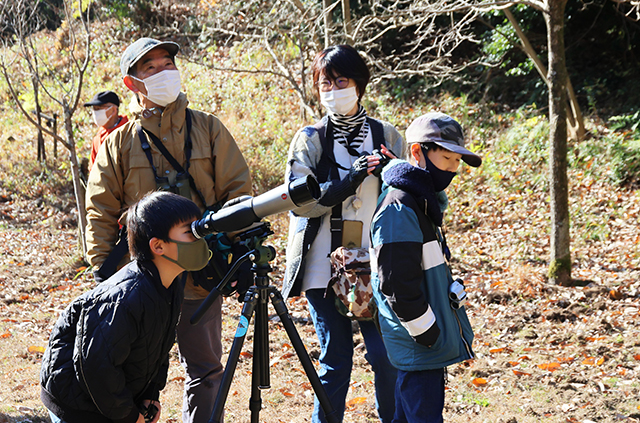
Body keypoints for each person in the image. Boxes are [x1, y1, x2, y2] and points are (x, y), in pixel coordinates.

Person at [85, 37, 252, 423]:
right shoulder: (118, 144)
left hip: (200, 274)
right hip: (140, 283)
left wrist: (239, 251)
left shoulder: (208, 129)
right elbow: (100, 211)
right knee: (130, 378)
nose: (164, 73)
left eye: (168, 64)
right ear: (132, 82)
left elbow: (238, 194)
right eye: (151, 68)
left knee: (207, 374)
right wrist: (101, 274)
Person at [282, 44, 404, 423]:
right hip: (322, 261)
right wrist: (347, 181)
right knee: (335, 358)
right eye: (325, 83)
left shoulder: (387, 134)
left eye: (341, 80)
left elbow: (407, 196)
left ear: (359, 84)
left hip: (375, 260)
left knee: (386, 358)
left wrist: (391, 171)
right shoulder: (311, 139)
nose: (333, 89)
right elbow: (299, 202)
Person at [41, 191, 210, 423]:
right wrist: (130, 416)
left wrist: (150, 394)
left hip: (108, 396)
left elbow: (158, 347)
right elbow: (97, 368)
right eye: (189, 230)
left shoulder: (170, 285)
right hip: (78, 403)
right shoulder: (125, 298)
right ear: (158, 246)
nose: (198, 236)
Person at [369, 112, 482, 423]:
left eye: (457, 162)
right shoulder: (399, 207)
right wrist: (429, 333)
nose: (452, 170)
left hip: (422, 344)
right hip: (419, 344)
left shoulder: (421, 203)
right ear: (418, 152)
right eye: (447, 159)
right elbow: (396, 285)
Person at [84, 90, 129, 169]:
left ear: (113, 110)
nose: (95, 113)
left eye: (99, 108)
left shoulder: (129, 132)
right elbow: (93, 171)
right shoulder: (98, 138)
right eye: (94, 109)